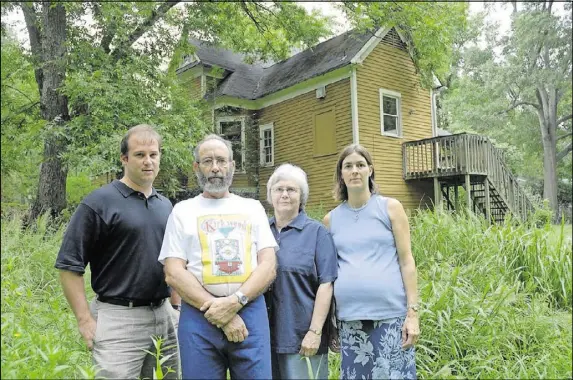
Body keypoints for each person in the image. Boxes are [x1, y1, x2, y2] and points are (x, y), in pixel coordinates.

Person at [55, 124, 180, 379]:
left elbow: (175, 258)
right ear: (124, 158)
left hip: (165, 316)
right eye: (140, 155)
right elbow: (69, 266)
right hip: (119, 318)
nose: (148, 161)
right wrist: (84, 320)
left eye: (153, 155)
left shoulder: (166, 205)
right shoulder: (99, 203)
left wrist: (176, 306)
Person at [159, 134, 278, 380]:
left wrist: (236, 302)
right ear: (196, 167)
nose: (215, 167)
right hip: (198, 315)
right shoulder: (182, 211)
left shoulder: (252, 208)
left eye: (222, 161)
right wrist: (217, 310)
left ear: (232, 166)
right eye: (207, 161)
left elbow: (268, 265)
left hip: (250, 311)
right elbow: (173, 271)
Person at [324, 144, 420, 380]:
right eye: (348, 166)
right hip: (350, 319)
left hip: (391, 316)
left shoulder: (390, 208)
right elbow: (329, 274)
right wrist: (331, 322)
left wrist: (413, 314)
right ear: (341, 175)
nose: (354, 170)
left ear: (370, 170)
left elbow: (407, 262)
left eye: (360, 165)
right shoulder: (330, 220)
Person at [265, 164, 337, 380]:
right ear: (270, 195)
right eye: (279, 189)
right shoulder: (260, 231)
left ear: (302, 196)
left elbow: (327, 284)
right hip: (262, 337)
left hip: (302, 337)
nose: (284, 195)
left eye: (291, 190)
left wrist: (315, 333)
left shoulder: (317, 234)